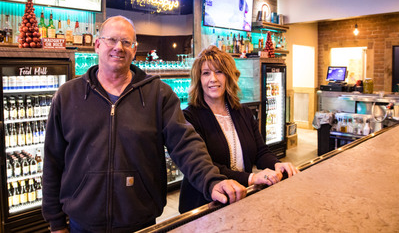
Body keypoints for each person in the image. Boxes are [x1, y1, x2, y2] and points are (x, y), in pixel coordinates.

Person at [42, 16, 246, 233]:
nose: (118, 48)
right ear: (97, 44)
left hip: (141, 222)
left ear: (134, 49)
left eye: (126, 42)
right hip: (82, 224)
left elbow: (186, 145)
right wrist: (56, 223)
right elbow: (53, 161)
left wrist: (212, 180)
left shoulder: (159, 94)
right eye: (111, 40)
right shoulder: (68, 95)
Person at [179, 45, 299, 213]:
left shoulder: (243, 112)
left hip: (240, 199)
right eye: (206, 73)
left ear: (229, 77)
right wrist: (251, 178)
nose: (213, 79)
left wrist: (277, 164)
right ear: (198, 79)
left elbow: (260, 151)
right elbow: (207, 165)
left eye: (219, 72)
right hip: (204, 205)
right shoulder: (189, 117)